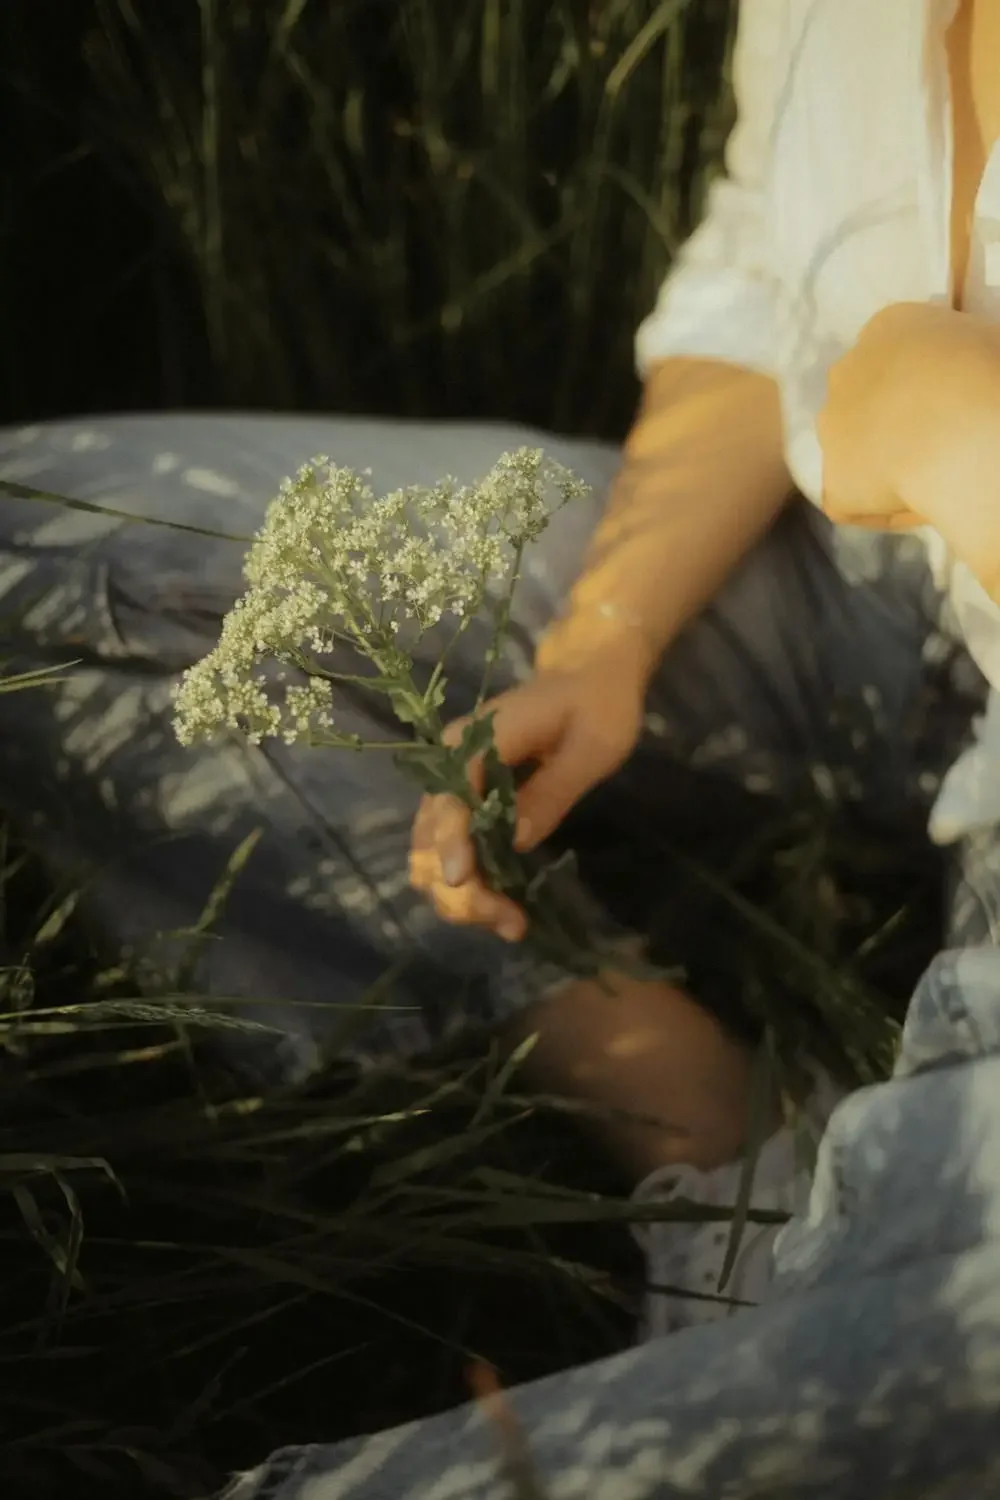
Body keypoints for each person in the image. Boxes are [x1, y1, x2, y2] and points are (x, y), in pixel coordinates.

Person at [3, 0, 1000, 1494]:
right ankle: (695, 1109)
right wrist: (604, 638)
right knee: (53, 569)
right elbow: (758, 284)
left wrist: (956, 421)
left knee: (954, 1341)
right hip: (855, 576)